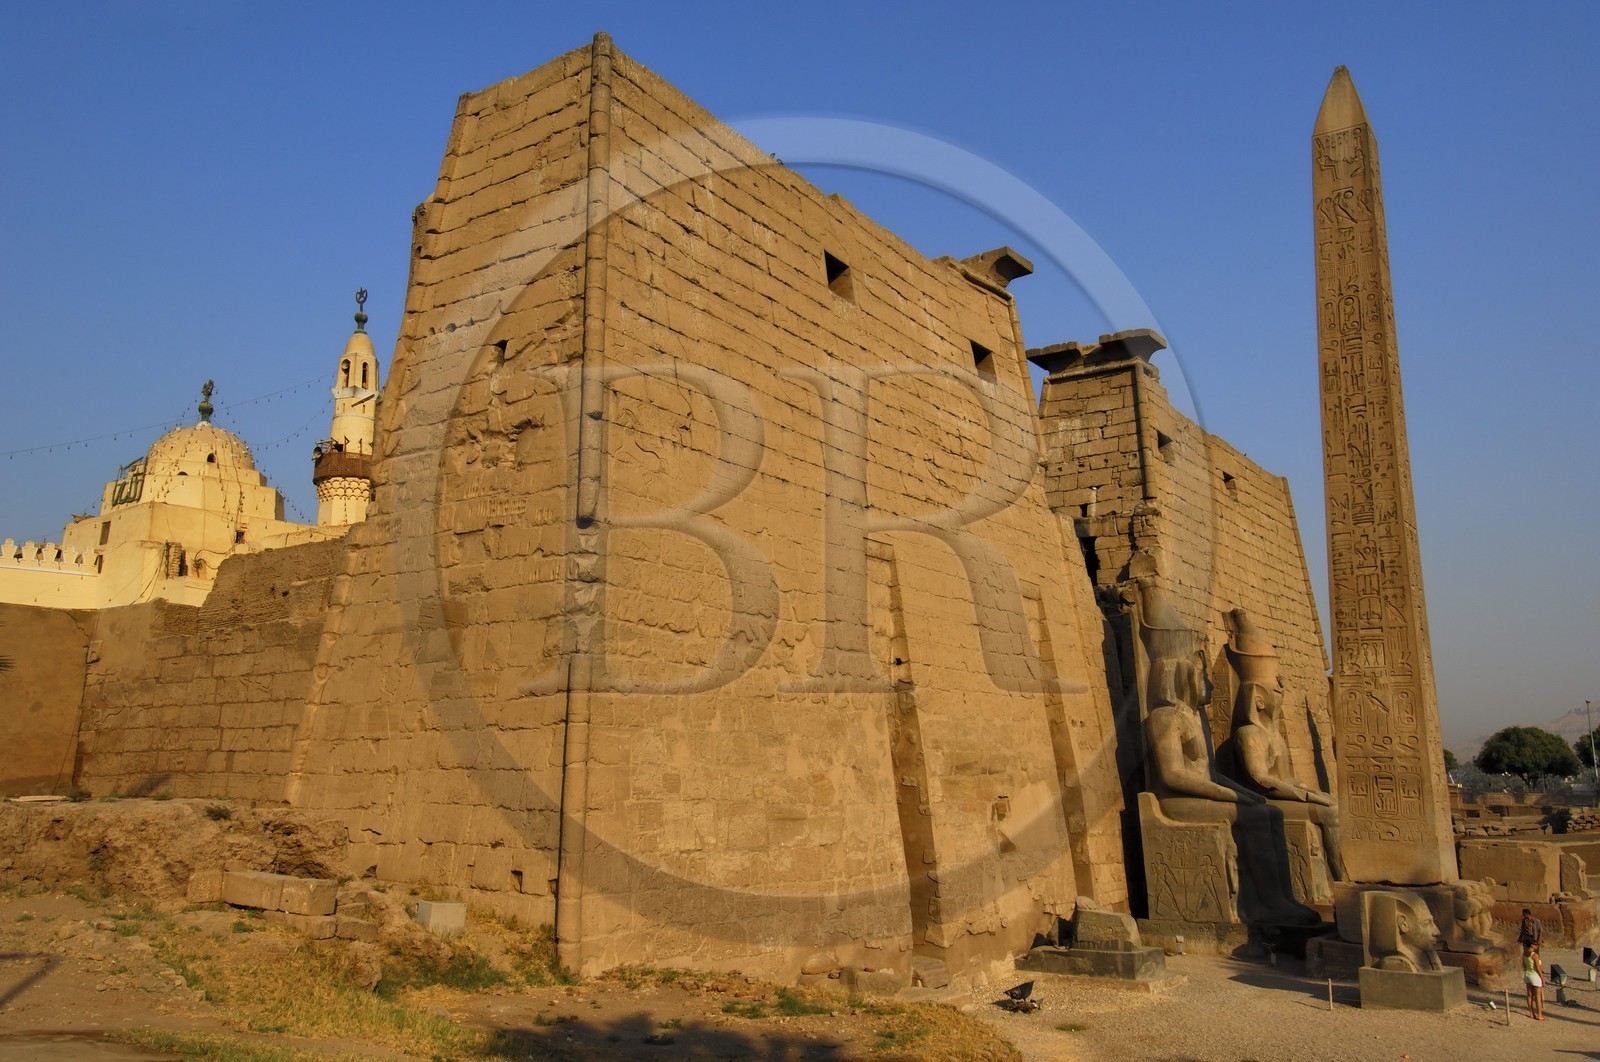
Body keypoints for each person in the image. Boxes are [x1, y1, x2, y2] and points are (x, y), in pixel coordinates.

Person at [1524, 943, 1546, 1020]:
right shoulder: (1535, 955)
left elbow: (1524, 965)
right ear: (1532, 945)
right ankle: (1539, 1015)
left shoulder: (1525, 953)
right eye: (1536, 945)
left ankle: (1531, 1013)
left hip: (1527, 974)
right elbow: (1538, 968)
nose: (1537, 947)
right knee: (1537, 996)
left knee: (1529, 995)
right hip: (1535, 976)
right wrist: (1542, 978)